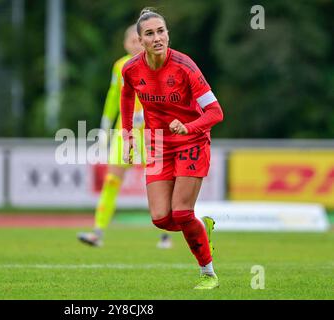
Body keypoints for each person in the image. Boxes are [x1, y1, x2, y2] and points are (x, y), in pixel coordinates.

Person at [121, 8, 224, 289]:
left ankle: (208, 274)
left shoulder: (185, 67)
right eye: (150, 33)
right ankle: (201, 229)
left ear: (168, 34)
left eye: (161, 31)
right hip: (156, 144)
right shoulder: (131, 69)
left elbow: (216, 113)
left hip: (191, 141)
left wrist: (188, 127)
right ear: (140, 40)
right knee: (160, 219)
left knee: (180, 213)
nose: (157, 38)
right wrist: (128, 136)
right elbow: (127, 96)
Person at [78, 25, 173, 249]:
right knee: (111, 181)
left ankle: (166, 235)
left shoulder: (158, 63)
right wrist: (104, 125)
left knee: (159, 182)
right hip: (126, 131)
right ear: (125, 44)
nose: (136, 44)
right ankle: (97, 232)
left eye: (138, 40)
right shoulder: (120, 66)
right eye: (131, 40)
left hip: (153, 132)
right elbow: (113, 96)